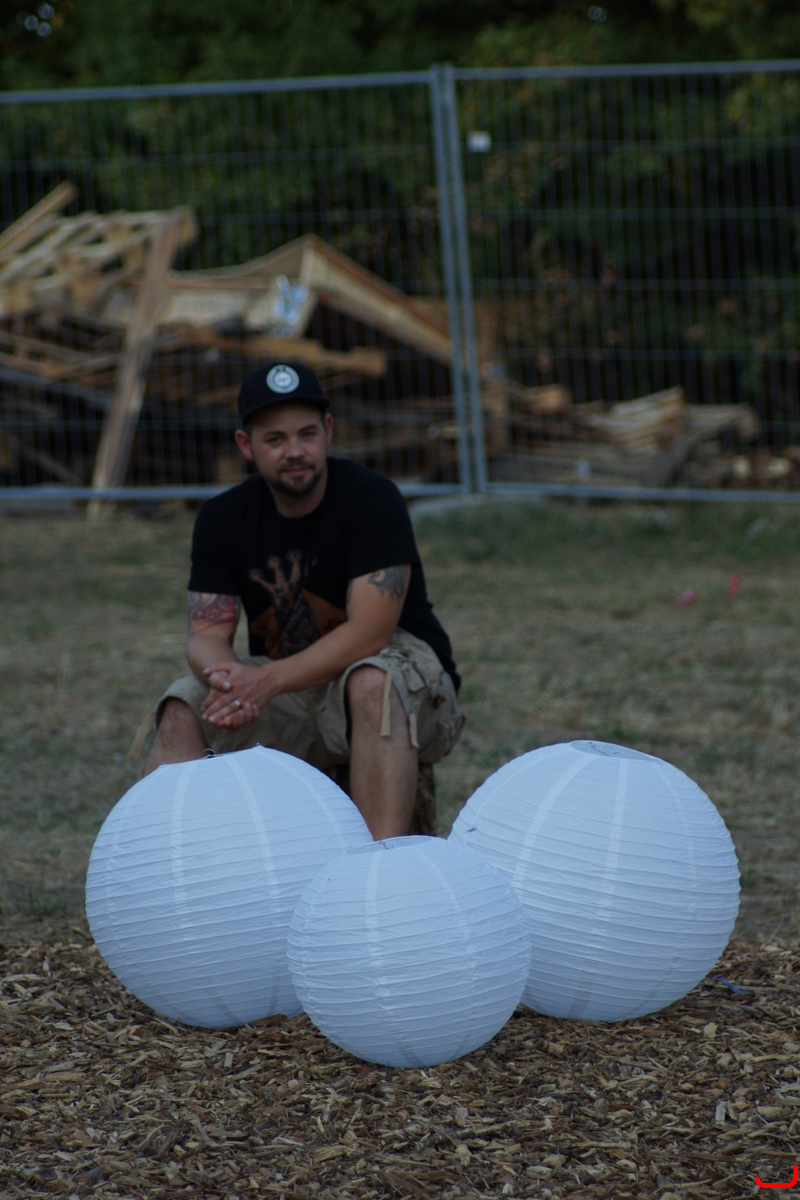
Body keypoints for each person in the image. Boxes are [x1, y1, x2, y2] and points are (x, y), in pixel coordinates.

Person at [142, 360, 465, 840]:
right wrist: (228, 680)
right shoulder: (222, 518)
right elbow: (206, 633)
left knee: (372, 683)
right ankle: (153, 864)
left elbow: (370, 632)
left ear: (328, 431)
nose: (295, 451)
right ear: (246, 445)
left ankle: (378, 870)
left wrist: (262, 682)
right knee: (182, 706)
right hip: (289, 689)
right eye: (275, 439)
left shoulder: (373, 499)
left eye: (306, 434)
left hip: (401, 687)